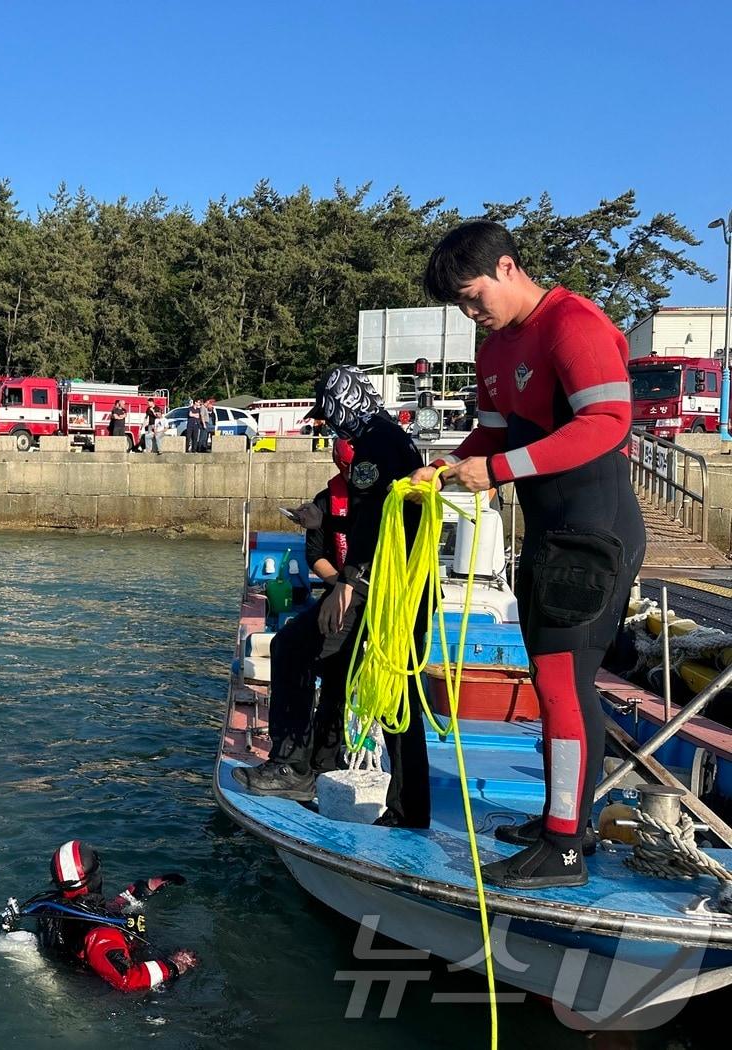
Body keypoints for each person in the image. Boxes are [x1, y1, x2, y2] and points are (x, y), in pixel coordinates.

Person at [413, 221, 645, 889]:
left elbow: (606, 424)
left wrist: (504, 468)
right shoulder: (494, 351)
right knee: (560, 687)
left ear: (508, 267)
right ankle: (564, 823)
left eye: (472, 295)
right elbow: (488, 437)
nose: (469, 311)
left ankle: (564, 849)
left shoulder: (573, 324)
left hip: (594, 531)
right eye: (458, 303)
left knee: (561, 686)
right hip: (550, 532)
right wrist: (448, 467)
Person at [232, 365, 430, 829]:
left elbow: (376, 523)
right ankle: (409, 807)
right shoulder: (394, 440)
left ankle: (293, 767)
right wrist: (327, 527)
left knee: (293, 647)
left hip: (378, 588)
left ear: (347, 402)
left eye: (332, 413)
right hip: (402, 587)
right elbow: (382, 516)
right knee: (400, 693)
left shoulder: (374, 446)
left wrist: (350, 581)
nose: (332, 425)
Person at [231, 438, 352, 797]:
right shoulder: (327, 498)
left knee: (318, 665)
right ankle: (310, 764)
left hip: (370, 595)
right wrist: (339, 584)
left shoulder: (383, 498)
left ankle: (306, 764)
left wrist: (352, 587)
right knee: (306, 654)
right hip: (340, 591)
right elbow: (315, 554)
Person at [3, 841, 198, 992]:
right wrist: (174, 965)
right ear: (96, 873)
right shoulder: (101, 933)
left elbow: (100, 908)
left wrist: (143, 889)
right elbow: (127, 980)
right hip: (102, 991)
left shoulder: (50, 907)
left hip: (72, 969)